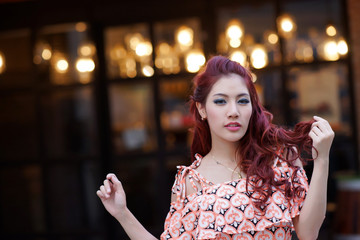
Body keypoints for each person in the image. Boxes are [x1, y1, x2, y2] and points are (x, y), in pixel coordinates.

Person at [96, 55, 334, 240]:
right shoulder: (190, 181)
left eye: (242, 100)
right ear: (201, 109)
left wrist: (322, 159)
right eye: (220, 101)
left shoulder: (279, 160)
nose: (234, 111)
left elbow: (308, 233)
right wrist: (122, 213)